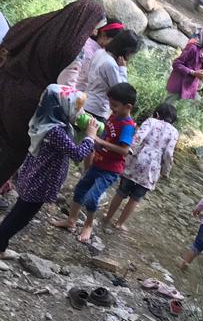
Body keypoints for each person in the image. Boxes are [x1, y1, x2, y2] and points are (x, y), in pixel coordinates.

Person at [0, 0, 104, 187]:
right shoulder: (72, 50)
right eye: (93, 27)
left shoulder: (39, 25)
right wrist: (84, 120)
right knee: (12, 153)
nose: (94, 33)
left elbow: (9, 40)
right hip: (26, 106)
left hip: (5, 85)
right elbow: (66, 94)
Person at [0, 86, 97, 254]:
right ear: (62, 108)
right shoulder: (55, 131)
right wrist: (90, 137)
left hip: (34, 177)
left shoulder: (48, 121)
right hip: (39, 182)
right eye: (77, 108)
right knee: (19, 218)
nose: (81, 112)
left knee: (18, 214)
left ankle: (2, 244)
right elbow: (77, 154)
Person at [52, 83, 138, 244]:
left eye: (115, 105)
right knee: (80, 189)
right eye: (110, 104)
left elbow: (124, 150)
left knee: (92, 198)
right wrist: (94, 137)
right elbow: (106, 134)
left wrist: (100, 141)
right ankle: (71, 220)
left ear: (128, 107)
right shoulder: (113, 116)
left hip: (110, 170)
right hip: (98, 163)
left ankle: (88, 225)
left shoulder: (128, 126)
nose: (111, 108)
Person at [102, 101, 179, 232]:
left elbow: (138, 138)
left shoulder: (151, 121)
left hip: (137, 159)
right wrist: (165, 171)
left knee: (121, 192)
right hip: (152, 167)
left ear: (157, 114)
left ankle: (107, 218)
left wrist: (128, 151)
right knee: (136, 198)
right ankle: (119, 224)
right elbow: (168, 153)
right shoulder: (174, 132)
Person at [83, 30, 141, 122]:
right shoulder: (110, 64)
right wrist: (122, 69)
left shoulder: (100, 52)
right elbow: (121, 92)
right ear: (126, 51)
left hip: (86, 100)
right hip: (97, 109)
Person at [57, 19, 124, 88]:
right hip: (72, 88)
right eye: (114, 42)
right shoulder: (89, 50)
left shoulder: (89, 43)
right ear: (103, 35)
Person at [166, 25, 203, 101]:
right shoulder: (192, 48)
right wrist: (193, 73)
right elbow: (176, 64)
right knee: (167, 107)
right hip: (178, 86)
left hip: (187, 90)